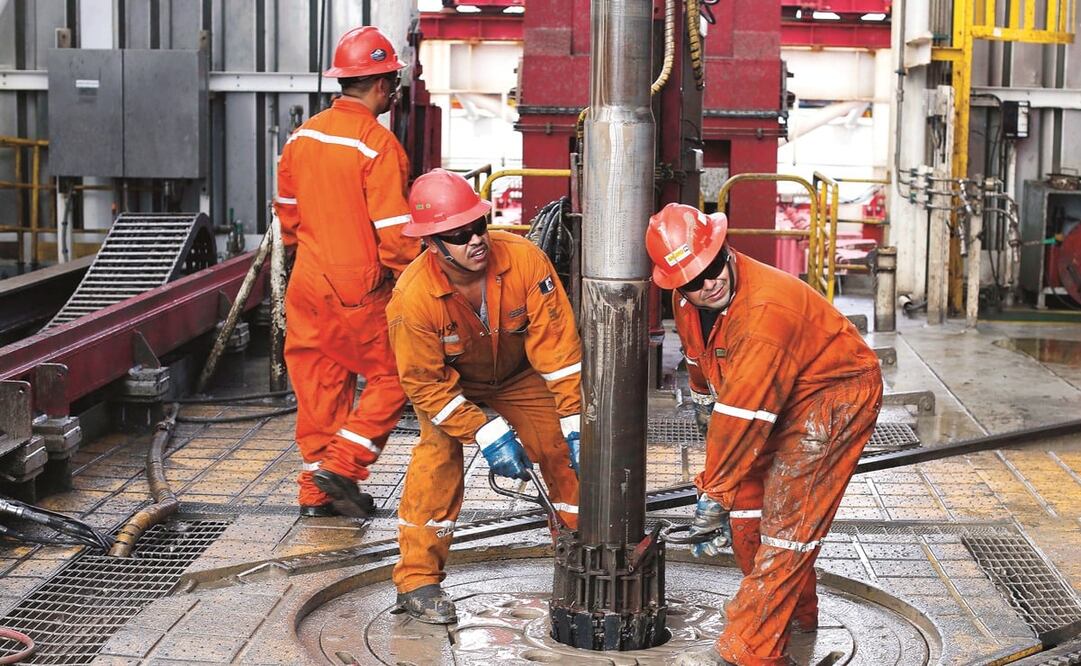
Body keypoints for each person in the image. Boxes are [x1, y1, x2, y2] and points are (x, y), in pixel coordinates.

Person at [646, 203, 883, 665]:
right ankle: (795, 614)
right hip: (775, 395)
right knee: (748, 515)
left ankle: (749, 650)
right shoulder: (688, 299)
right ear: (675, 286)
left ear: (724, 249)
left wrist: (713, 491)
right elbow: (701, 362)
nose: (707, 282)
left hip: (832, 397)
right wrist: (701, 402)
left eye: (712, 267)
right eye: (692, 281)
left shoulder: (764, 313)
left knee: (788, 525)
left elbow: (745, 415)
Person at [386, 169, 582, 624]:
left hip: (518, 373)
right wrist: (487, 432)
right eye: (459, 234)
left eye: (479, 225)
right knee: (437, 458)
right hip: (450, 385)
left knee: (563, 447)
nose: (476, 240)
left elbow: (559, 349)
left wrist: (573, 417)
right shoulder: (412, 299)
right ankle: (417, 581)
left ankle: (578, 551)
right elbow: (424, 385)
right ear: (432, 243)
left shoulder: (525, 260)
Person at [274, 26, 420, 518]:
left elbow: (287, 216)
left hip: (307, 280)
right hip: (357, 286)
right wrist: (420, 284)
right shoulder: (378, 145)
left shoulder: (302, 137)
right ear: (382, 86)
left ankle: (316, 493)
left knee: (319, 383)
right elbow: (397, 236)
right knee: (396, 373)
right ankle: (344, 464)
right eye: (393, 84)